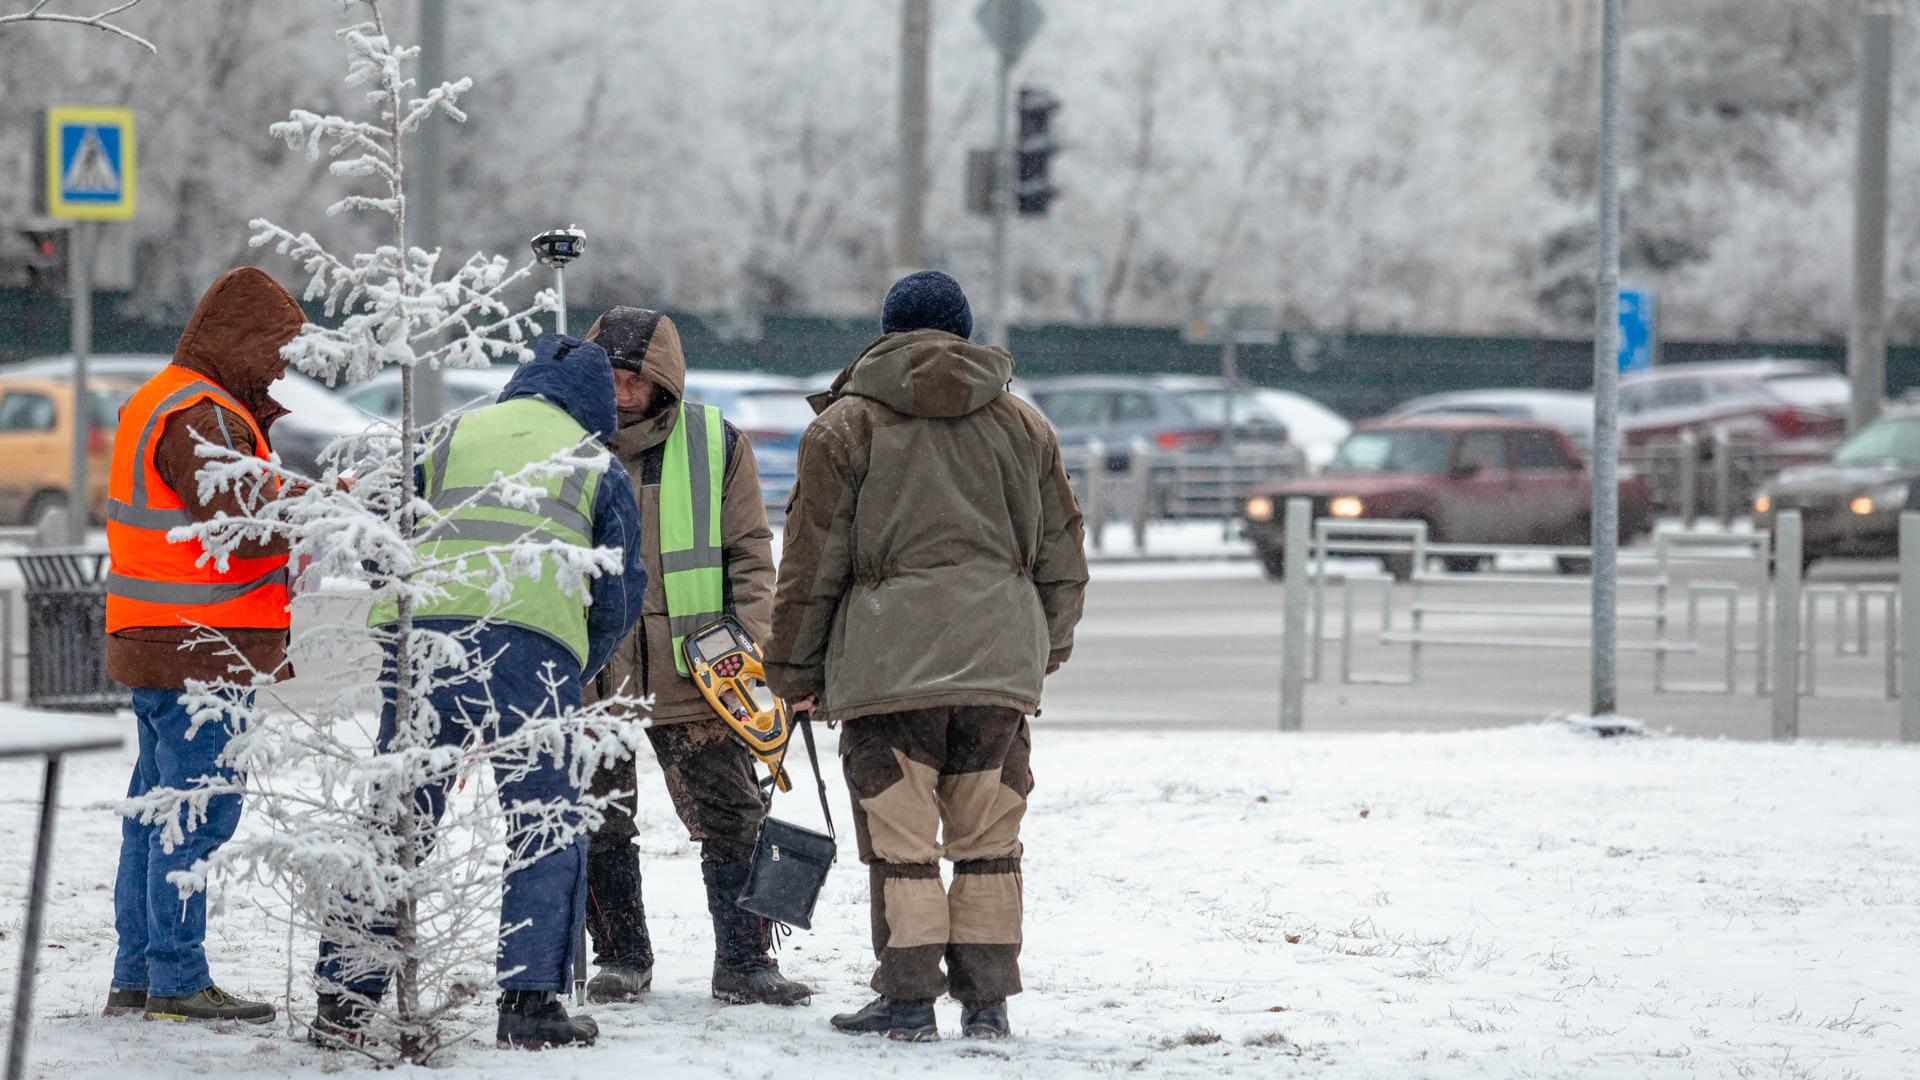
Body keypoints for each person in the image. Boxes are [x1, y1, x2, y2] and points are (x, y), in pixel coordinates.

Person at [765, 270, 1089, 1041]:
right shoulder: (1025, 425)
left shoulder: (844, 428)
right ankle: (986, 1004)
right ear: (965, 332)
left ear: (886, 332)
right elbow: (1063, 555)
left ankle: (908, 1001)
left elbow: (812, 565)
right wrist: (1039, 648)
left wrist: (794, 673)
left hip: (887, 671)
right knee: (988, 840)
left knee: (902, 843)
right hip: (997, 671)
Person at [314, 333, 647, 1050]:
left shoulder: (451, 432)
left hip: (424, 640)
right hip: (534, 650)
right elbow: (620, 591)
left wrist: (398, 604)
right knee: (543, 820)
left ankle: (343, 999)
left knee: (396, 816)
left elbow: (378, 521)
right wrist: (575, 663)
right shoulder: (596, 462)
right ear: (595, 405)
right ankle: (528, 1005)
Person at [577, 306, 813, 1007]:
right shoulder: (565, 443)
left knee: (733, 817)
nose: (622, 392)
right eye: (612, 377)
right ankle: (621, 958)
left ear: (664, 380)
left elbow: (750, 554)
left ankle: (746, 963)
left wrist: (751, 645)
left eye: (635, 379)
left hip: (699, 674)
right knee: (597, 820)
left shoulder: (715, 442)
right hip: (594, 676)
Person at [104, 267, 308, 1024]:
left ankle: (138, 978)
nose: (283, 367)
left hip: (155, 641)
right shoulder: (202, 412)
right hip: (202, 650)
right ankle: (177, 980)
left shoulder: (163, 397)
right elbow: (236, 525)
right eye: (277, 349)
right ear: (242, 340)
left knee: (156, 815)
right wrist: (326, 510)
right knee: (194, 816)